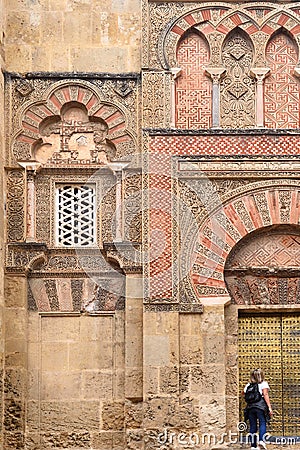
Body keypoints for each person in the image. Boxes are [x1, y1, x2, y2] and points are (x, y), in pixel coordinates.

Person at [243, 368, 273, 450]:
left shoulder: (248, 385)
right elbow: (265, 395)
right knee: (262, 423)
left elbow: (244, 394)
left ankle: (253, 446)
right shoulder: (263, 384)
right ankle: (261, 441)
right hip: (260, 407)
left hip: (250, 408)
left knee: (253, 426)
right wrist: (269, 408)